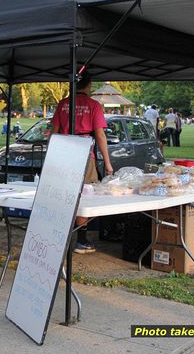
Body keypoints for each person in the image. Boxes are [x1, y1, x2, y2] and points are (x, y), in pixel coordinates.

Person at [51, 71, 113, 254]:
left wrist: (52, 155)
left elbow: (53, 132)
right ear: (88, 86)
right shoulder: (94, 105)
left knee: (63, 194)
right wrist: (108, 163)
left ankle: (58, 236)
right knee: (84, 196)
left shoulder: (63, 104)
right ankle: (82, 240)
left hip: (63, 152)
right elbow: (100, 135)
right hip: (84, 154)